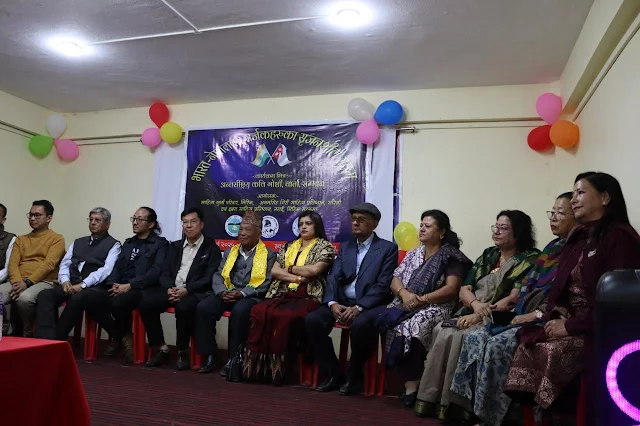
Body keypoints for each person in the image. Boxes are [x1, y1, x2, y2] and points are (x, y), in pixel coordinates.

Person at [504, 172, 640, 425]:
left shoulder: (619, 238)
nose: (574, 199)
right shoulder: (577, 237)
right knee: (527, 343)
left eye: (581, 192)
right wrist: (554, 320)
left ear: (605, 198)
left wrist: (569, 326)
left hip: (600, 328)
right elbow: (559, 291)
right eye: (574, 193)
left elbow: (618, 306)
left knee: (552, 352)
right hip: (569, 321)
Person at [449, 193, 578, 426]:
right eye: (552, 212)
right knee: (475, 338)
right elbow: (528, 287)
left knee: (496, 345)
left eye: (561, 213)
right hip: (523, 311)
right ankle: (468, 409)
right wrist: (514, 310)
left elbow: (560, 296)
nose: (553, 217)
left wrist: (534, 314)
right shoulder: (553, 247)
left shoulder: (577, 250)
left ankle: (495, 417)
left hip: (547, 317)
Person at [414, 210, 540, 421]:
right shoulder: (489, 255)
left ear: (518, 232)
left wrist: (480, 315)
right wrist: (475, 305)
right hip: (472, 308)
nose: (496, 232)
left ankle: (457, 406)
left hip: (498, 316)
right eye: (495, 227)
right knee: (442, 331)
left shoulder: (530, 259)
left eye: (503, 228)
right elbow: (464, 288)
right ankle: (432, 400)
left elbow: (512, 299)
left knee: (461, 336)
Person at [378, 210, 472, 408]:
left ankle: (417, 387)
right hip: (407, 302)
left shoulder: (450, 256)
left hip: (438, 306)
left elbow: (452, 289)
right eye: (421, 225)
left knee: (415, 326)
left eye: (428, 226)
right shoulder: (414, 254)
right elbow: (395, 278)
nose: (421, 229)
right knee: (392, 321)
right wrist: (404, 294)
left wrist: (422, 299)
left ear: (442, 232)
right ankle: (410, 385)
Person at [306, 202, 398, 396]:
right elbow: (333, 277)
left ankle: (354, 376)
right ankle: (334, 373)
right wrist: (332, 303)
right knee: (313, 320)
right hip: (342, 302)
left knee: (360, 325)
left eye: (361, 220)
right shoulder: (346, 246)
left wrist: (359, 307)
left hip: (370, 305)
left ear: (374, 224)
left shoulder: (387, 248)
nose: (355, 223)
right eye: (353, 219)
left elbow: (383, 285)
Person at [243, 210, 335, 384]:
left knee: (286, 316)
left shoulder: (325, 247)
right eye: (301, 224)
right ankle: (255, 369)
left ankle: (280, 370)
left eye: (308, 223)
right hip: (282, 292)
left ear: (316, 225)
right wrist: (298, 277)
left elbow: (314, 271)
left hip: (308, 295)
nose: (303, 227)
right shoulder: (288, 246)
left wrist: (290, 269)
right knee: (259, 310)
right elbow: (275, 271)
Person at [195, 210, 277, 377]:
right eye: (240, 229)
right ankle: (210, 354)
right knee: (204, 307)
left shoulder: (269, 255)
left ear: (258, 234)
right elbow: (218, 274)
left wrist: (242, 293)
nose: (242, 233)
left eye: (247, 230)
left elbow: (267, 281)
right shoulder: (229, 252)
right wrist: (221, 292)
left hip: (251, 296)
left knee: (240, 312)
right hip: (227, 291)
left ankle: (234, 359)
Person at [138, 207, 222, 370]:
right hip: (173, 290)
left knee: (184, 308)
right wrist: (169, 288)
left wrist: (187, 290)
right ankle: (161, 348)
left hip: (194, 292)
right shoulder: (175, 246)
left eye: (193, 222)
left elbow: (209, 278)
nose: (188, 226)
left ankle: (183, 351)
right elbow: (164, 272)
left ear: (201, 224)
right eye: (185, 222)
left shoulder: (211, 248)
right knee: (146, 303)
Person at [83, 206, 168, 363]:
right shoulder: (128, 243)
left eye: (140, 219)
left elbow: (155, 273)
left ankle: (118, 338)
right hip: (120, 286)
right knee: (88, 298)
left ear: (151, 224)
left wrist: (129, 285)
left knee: (118, 302)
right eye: (134, 219)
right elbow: (117, 267)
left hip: (142, 288)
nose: (135, 222)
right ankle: (123, 335)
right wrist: (113, 284)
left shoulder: (160, 244)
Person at [35, 207, 121, 341]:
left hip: (96, 288)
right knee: (45, 295)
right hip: (72, 283)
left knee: (77, 298)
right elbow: (65, 263)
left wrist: (83, 285)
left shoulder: (114, 245)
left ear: (107, 224)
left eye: (97, 220)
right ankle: (45, 339)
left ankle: (56, 340)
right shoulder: (78, 242)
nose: (93, 222)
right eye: (90, 219)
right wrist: (65, 281)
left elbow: (105, 270)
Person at [0, 200, 65, 337]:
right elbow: (13, 264)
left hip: (44, 281)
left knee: (25, 299)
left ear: (49, 218)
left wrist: (27, 282)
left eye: (37, 215)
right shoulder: (21, 239)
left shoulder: (57, 239)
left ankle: (27, 329)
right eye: (30, 215)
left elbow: (49, 264)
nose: (32, 218)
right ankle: (7, 329)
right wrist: (17, 282)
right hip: (18, 281)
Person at [0, 202, 17, 335]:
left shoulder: (11, 239)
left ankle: (5, 328)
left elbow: (8, 268)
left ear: (3, 219)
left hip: (4, 280)